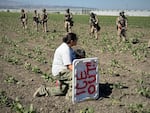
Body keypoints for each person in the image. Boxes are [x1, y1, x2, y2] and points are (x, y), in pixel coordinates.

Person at [33, 33, 78, 100]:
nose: (77, 41)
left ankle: (43, 91)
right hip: (60, 71)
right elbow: (69, 66)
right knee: (75, 76)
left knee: (63, 90)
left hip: (64, 71)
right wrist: (80, 71)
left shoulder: (69, 48)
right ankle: (70, 96)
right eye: (76, 39)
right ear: (71, 41)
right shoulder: (65, 49)